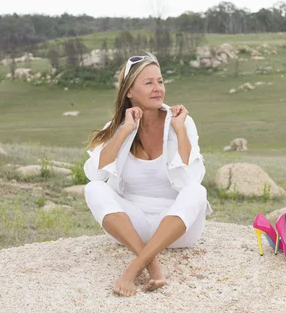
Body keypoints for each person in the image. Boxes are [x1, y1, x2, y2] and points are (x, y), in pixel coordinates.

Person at [83, 53, 212, 297]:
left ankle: (133, 269)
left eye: (160, 81)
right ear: (129, 91)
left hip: (177, 229)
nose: (158, 89)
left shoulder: (181, 121)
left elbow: (189, 180)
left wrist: (179, 129)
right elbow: (95, 174)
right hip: (132, 226)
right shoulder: (117, 126)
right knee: (93, 189)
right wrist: (124, 131)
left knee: (197, 191)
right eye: (149, 83)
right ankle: (152, 263)